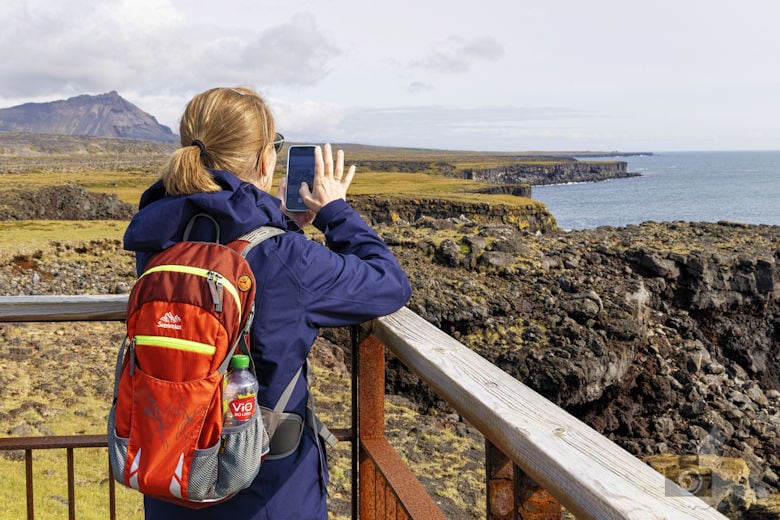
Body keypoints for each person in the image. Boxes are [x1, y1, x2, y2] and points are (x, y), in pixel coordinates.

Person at [123, 86, 412, 519]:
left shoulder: (157, 238)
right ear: (265, 159)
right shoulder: (286, 257)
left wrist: (281, 226)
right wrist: (335, 211)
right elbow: (388, 284)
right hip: (268, 489)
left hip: (175, 474)